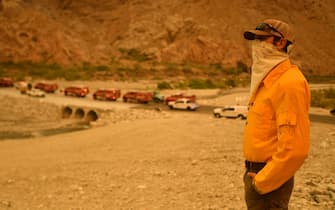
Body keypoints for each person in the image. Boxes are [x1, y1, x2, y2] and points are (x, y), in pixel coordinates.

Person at [242, 19, 310, 209]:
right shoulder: (267, 81)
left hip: (268, 180)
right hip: (257, 174)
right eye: (254, 39)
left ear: (281, 43)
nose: (256, 44)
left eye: (263, 39)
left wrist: (262, 182)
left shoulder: (289, 83)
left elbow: (295, 149)